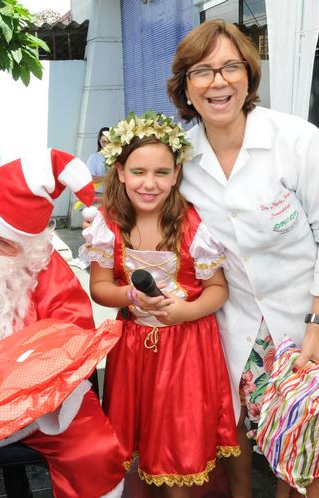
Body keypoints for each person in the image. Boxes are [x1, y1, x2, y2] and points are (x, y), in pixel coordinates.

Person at [166, 19, 319, 497]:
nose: (218, 82)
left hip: (308, 327)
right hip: (234, 329)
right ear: (186, 88)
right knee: (240, 441)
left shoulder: (297, 142)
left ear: (249, 77)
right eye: (202, 72)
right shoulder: (181, 160)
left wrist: (317, 327)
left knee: (305, 452)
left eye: (231, 67)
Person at [0, 148, 126, 498]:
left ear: (26, 248)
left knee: (95, 452)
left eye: (5, 244)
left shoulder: (44, 267)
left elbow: (72, 332)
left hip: (35, 404)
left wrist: (16, 386)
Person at [80, 111, 239, 495]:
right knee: (136, 442)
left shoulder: (195, 225)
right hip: (132, 350)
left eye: (161, 173)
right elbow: (100, 286)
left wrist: (186, 310)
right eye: (138, 171)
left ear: (177, 174)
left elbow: (218, 289)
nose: (149, 184)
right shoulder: (107, 224)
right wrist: (130, 296)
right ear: (119, 171)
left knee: (179, 446)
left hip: (187, 352)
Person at [86, 126, 111, 202]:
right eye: (103, 141)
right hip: (99, 195)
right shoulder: (94, 157)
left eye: (109, 141)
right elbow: (90, 179)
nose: (106, 144)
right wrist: (109, 178)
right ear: (99, 141)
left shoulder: (119, 156)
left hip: (116, 195)